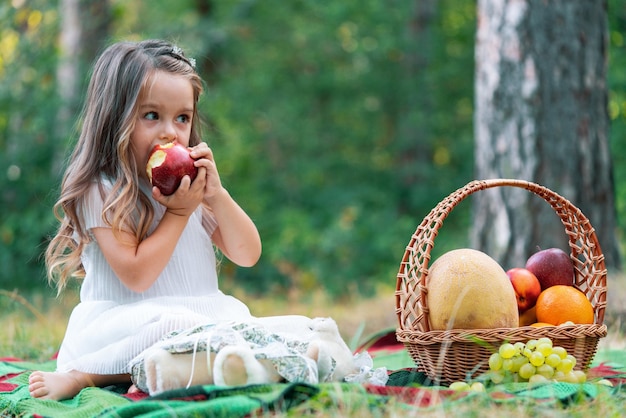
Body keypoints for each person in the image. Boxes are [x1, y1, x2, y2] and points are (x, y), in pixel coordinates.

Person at [28, 39, 262, 401]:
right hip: (124, 327)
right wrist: (179, 214)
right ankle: (82, 377)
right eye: (152, 116)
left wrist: (217, 196)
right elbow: (137, 277)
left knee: (245, 327)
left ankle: (174, 372)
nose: (170, 132)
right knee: (176, 327)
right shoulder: (101, 191)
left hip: (201, 315)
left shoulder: (190, 188)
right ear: (115, 119)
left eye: (182, 118)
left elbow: (247, 254)